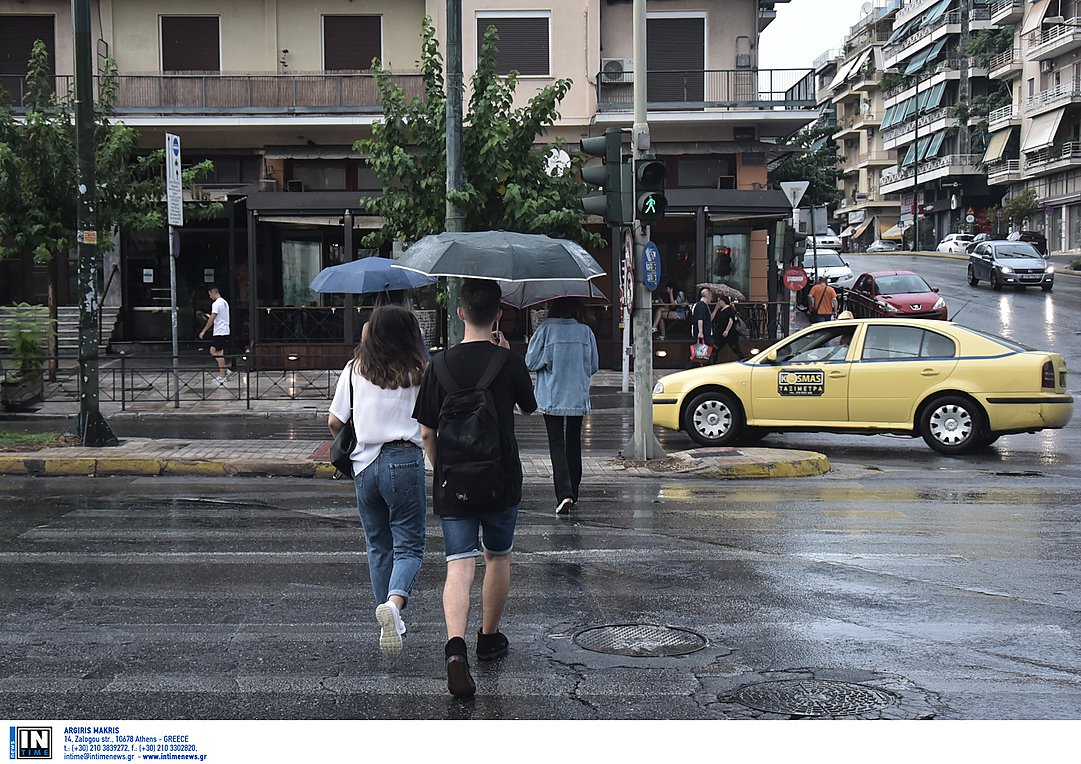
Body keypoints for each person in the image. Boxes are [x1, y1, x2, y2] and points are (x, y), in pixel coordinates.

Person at [412, 278, 538, 698]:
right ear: (498, 314)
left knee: (458, 565)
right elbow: (527, 406)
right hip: (501, 480)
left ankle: (455, 649)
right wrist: (507, 356)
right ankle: (489, 639)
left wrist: (443, 469)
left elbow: (426, 432)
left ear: (461, 312)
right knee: (498, 557)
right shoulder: (507, 361)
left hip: (454, 482)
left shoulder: (439, 365)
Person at [327, 305, 428, 660]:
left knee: (378, 545)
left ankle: (387, 616)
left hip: (364, 465)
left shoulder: (354, 371)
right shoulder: (419, 372)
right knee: (410, 546)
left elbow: (334, 421)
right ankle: (395, 607)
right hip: (403, 461)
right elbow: (432, 425)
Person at [524, 297, 599, 516]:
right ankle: (573, 492)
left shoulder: (546, 329)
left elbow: (531, 362)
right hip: (577, 395)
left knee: (556, 444)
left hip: (552, 395)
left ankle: (563, 493)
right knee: (573, 443)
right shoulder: (585, 332)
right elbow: (593, 365)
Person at [198, 286, 232, 382]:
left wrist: (204, 330)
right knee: (214, 350)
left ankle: (222, 374)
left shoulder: (216, 304)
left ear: (213, 293)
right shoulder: (224, 302)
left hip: (220, 331)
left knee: (218, 352)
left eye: (210, 295)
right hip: (224, 330)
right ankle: (224, 369)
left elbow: (212, 318)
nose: (210, 297)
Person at [711, 293, 745, 361]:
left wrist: (727, 330)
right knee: (715, 350)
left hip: (728, 334)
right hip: (720, 334)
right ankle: (712, 363)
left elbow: (731, 320)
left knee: (735, 348)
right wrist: (715, 309)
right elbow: (712, 318)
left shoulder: (729, 309)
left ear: (723, 301)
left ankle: (743, 359)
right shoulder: (719, 310)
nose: (718, 302)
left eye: (719, 300)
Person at [690, 287, 715, 364]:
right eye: (710, 295)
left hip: (704, 332)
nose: (711, 297)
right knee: (701, 352)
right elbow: (700, 319)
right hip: (703, 333)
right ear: (707, 295)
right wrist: (700, 332)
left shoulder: (702, 305)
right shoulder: (701, 305)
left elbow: (708, 318)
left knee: (701, 352)